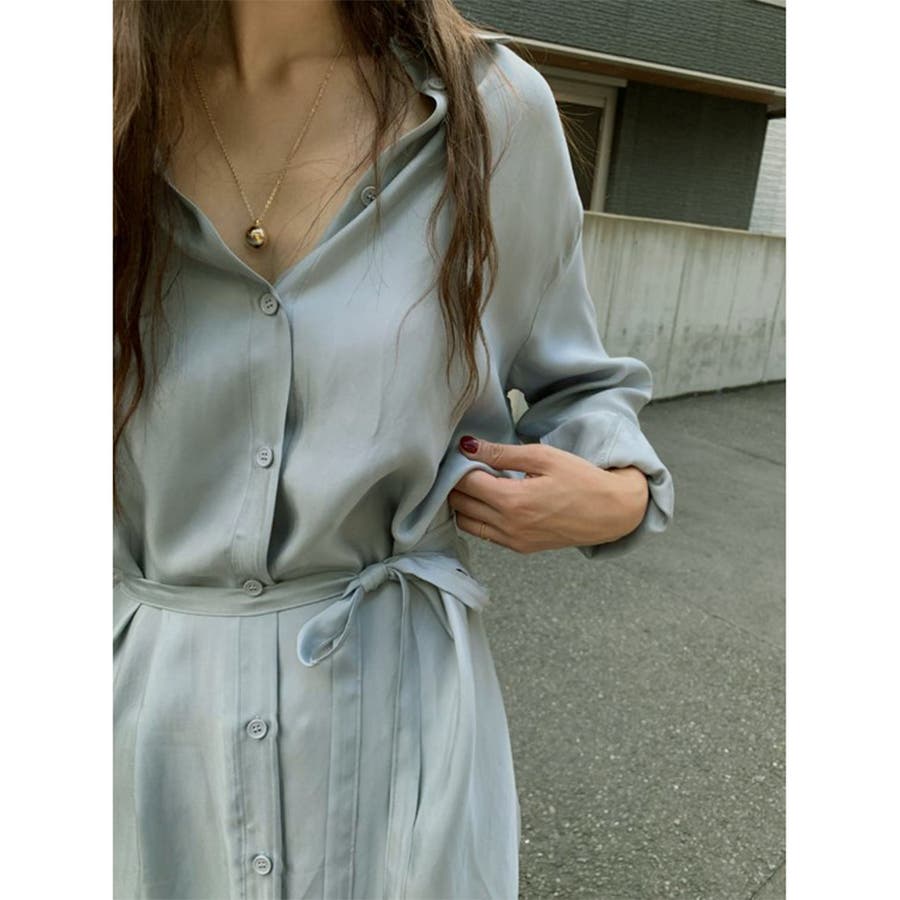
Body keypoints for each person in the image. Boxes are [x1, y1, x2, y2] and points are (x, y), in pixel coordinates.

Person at [112, 1, 675, 898]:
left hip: (403, 727)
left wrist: (619, 496)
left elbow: (581, 382)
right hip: (142, 730)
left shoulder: (495, 112)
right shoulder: (101, 102)